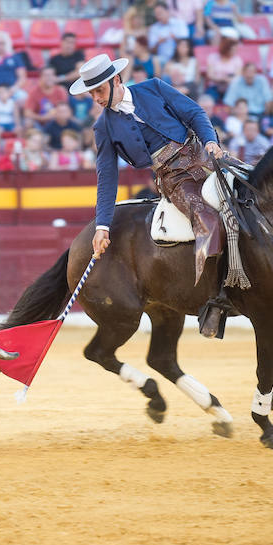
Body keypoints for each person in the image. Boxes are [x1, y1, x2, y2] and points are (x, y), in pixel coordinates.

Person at [69, 52, 227, 338]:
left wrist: (211, 141)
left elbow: (194, 113)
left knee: (253, 193)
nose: (96, 99)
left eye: (99, 91)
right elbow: (107, 177)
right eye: (91, 94)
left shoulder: (153, 87)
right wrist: (102, 226)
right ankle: (216, 300)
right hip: (175, 179)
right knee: (207, 220)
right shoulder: (103, 127)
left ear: (117, 80)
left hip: (206, 157)